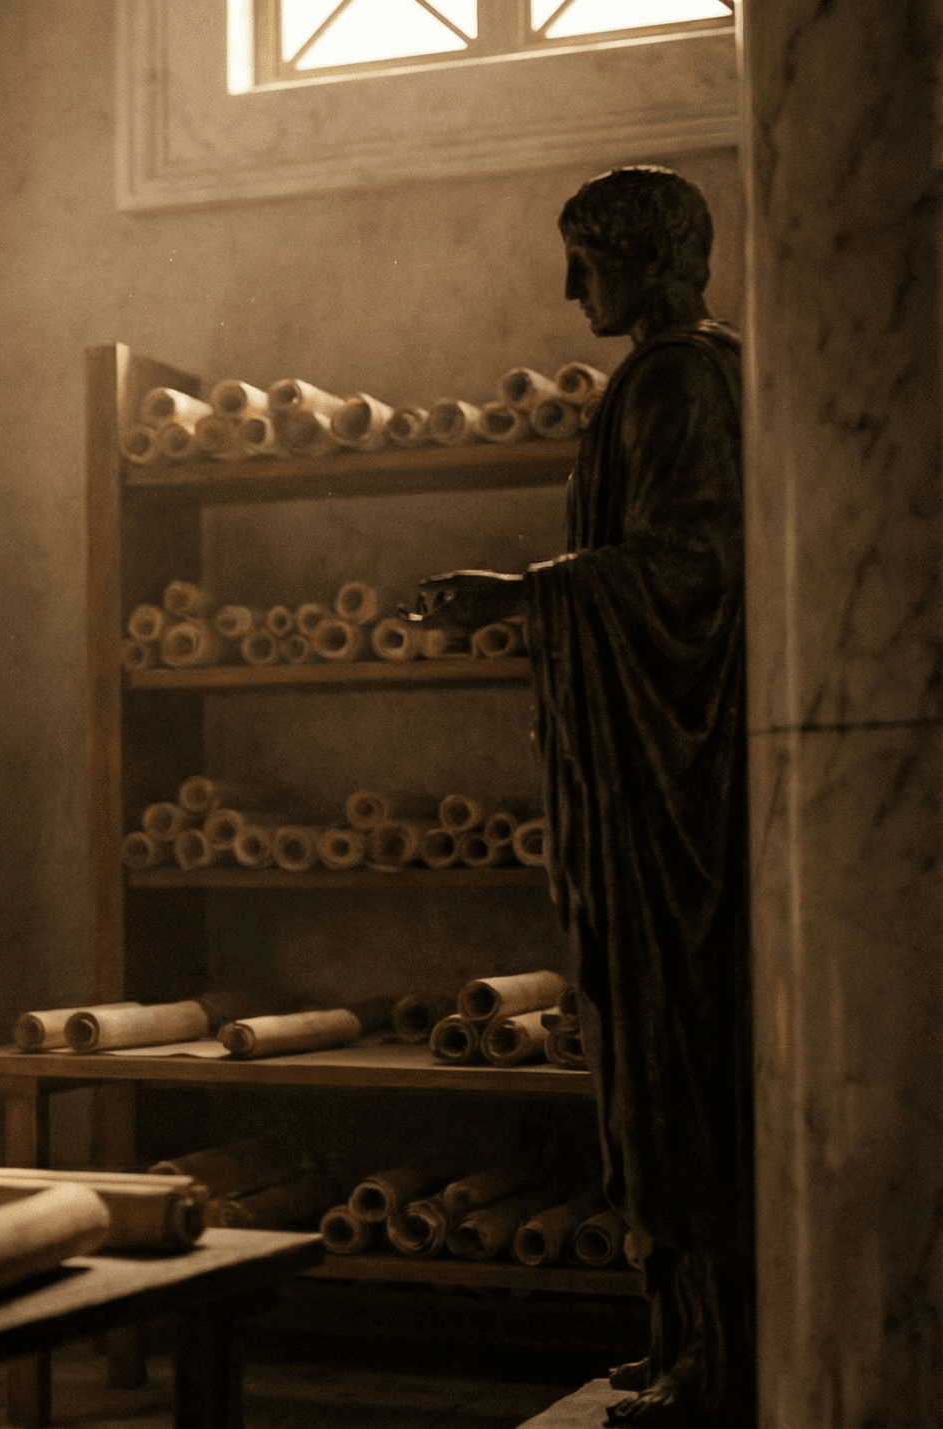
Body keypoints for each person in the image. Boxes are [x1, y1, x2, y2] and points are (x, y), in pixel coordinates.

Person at [413, 167, 748, 1429]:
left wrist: (519, 592)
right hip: (647, 778)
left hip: (674, 790)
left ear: (648, 258)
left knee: (677, 1064)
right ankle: (679, 1338)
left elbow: (692, 569)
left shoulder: (677, 379)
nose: (569, 288)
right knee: (648, 1064)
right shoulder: (666, 379)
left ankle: (714, 1360)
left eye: (585, 258)